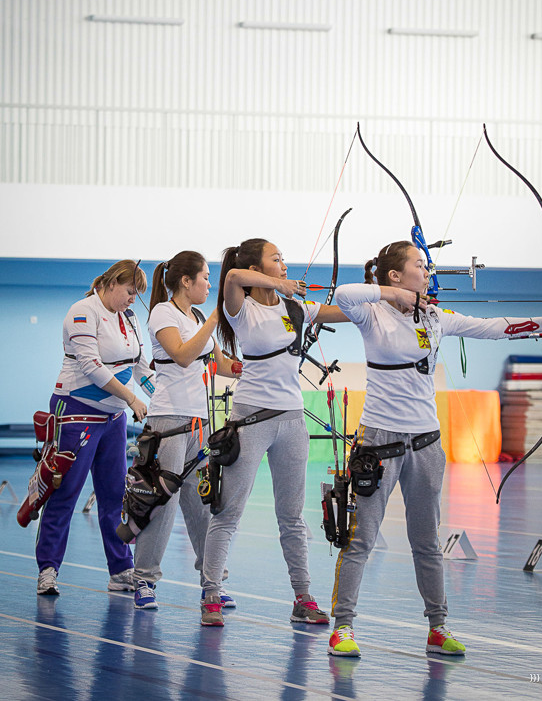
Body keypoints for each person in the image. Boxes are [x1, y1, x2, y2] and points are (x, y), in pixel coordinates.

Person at [327, 241, 542, 658]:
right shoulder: (371, 313)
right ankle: (343, 627)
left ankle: (438, 628)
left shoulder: (434, 317)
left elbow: (493, 327)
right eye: (419, 265)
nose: (428, 272)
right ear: (395, 276)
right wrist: (393, 294)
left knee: (427, 541)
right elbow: (342, 294)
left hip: (426, 442)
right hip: (380, 442)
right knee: (361, 539)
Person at [200, 238, 349, 627]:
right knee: (228, 511)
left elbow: (341, 312)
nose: (284, 264)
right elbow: (232, 277)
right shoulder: (240, 307)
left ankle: (303, 598)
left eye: (284, 259)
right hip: (251, 419)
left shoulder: (294, 308)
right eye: (276, 258)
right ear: (257, 268)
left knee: (292, 516)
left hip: (292, 420)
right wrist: (281, 285)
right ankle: (211, 594)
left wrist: (387, 302)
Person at [36, 260, 154, 595]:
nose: (132, 299)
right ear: (112, 283)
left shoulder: (129, 317)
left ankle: (120, 570)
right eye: (129, 291)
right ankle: (48, 569)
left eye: (136, 295)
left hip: (112, 419)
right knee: (65, 491)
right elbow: (91, 366)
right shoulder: (82, 311)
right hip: (76, 413)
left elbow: (140, 366)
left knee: (115, 495)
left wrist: (161, 399)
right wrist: (132, 398)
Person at [132, 251, 241, 611]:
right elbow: (182, 355)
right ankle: (144, 579)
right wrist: (216, 317)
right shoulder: (163, 313)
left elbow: (220, 362)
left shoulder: (197, 317)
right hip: (168, 421)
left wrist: (257, 365)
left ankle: (213, 580)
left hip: (200, 424)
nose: (210, 285)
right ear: (185, 281)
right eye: (205, 278)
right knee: (162, 501)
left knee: (203, 504)